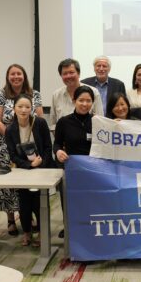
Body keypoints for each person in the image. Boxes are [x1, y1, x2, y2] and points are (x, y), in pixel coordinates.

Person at [0, 64, 43, 236]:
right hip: (5, 144)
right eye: (12, 74)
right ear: (8, 76)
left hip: (29, 145)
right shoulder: (1, 94)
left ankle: (29, 217)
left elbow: (39, 117)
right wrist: (11, 136)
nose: (16, 77)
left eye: (19, 73)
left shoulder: (34, 94)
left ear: (24, 76)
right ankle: (11, 220)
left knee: (29, 182)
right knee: (8, 183)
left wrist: (23, 139)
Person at [5, 94, 54, 247]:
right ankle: (27, 231)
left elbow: (48, 147)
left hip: (42, 169)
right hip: (23, 171)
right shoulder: (10, 129)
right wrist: (29, 165)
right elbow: (13, 155)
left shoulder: (39, 123)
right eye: (20, 106)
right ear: (14, 108)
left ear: (31, 108)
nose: (24, 110)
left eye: (27, 107)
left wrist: (41, 164)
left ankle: (41, 231)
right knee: (24, 203)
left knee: (39, 202)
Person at [54, 85, 96, 239]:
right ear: (74, 101)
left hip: (93, 171)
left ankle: (89, 227)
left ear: (92, 102)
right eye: (81, 100)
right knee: (69, 201)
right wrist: (58, 152)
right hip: (71, 169)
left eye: (88, 101)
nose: (85, 104)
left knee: (90, 201)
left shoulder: (98, 122)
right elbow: (57, 143)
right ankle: (69, 226)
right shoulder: (64, 122)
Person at [49, 58, 103, 126]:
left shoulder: (94, 92)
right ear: (61, 76)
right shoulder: (56, 95)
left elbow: (100, 121)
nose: (68, 76)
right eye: (65, 73)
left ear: (79, 74)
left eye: (71, 72)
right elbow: (53, 123)